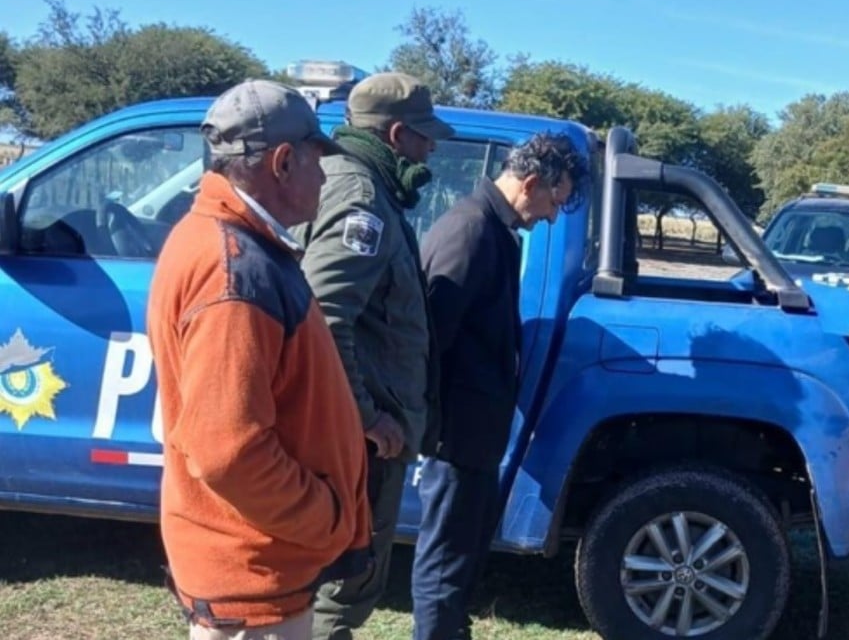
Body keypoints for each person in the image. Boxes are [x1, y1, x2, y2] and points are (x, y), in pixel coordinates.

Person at [145, 80, 372, 640]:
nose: (325, 177)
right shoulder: (233, 267)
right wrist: (325, 521)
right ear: (284, 161)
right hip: (254, 581)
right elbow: (227, 451)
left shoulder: (229, 243)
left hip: (256, 568)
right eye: (319, 160)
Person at [290, 72, 454, 640]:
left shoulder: (359, 186)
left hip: (358, 434)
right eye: (424, 136)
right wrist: (366, 417)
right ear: (396, 133)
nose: (431, 148)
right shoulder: (362, 199)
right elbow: (324, 317)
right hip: (357, 442)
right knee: (339, 588)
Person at [412, 132, 587, 640]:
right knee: (443, 563)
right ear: (531, 182)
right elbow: (428, 341)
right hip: (456, 436)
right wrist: (436, 430)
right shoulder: (469, 233)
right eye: (554, 201)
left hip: (477, 434)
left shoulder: (496, 230)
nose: (553, 216)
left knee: (462, 557)